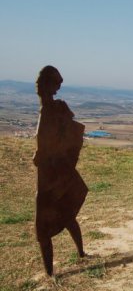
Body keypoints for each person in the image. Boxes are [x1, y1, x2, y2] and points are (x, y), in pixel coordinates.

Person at [33, 66, 88, 276]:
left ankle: (54, 272)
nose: (37, 85)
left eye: (41, 82)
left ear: (50, 86)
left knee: (49, 225)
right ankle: (53, 271)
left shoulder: (57, 108)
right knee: (63, 216)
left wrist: (47, 154)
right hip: (47, 174)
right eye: (38, 82)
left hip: (55, 174)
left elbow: (73, 135)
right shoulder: (46, 109)